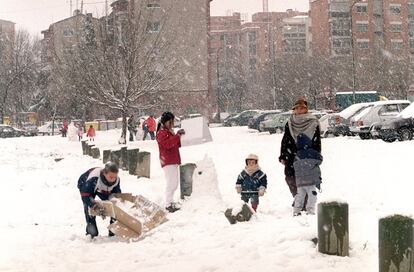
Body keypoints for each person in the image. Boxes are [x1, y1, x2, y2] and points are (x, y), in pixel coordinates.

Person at [279, 98, 321, 211]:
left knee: (307, 180)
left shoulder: (313, 122)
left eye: (302, 108)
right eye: (297, 108)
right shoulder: (290, 122)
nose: (299, 110)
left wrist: (317, 156)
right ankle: (298, 198)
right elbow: (285, 139)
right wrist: (283, 155)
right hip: (291, 155)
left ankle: (305, 203)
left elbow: (317, 141)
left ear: (306, 109)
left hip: (307, 155)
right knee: (289, 178)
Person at [77, 162, 121, 238]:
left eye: (115, 177)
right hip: (86, 185)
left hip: (102, 188)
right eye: (111, 177)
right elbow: (86, 195)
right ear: (104, 173)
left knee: (116, 205)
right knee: (89, 208)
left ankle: (113, 231)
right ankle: (92, 232)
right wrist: (93, 205)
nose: (113, 179)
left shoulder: (116, 180)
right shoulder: (93, 178)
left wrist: (115, 202)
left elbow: (117, 195)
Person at [156, 111, 185, 213]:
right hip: (168, 161)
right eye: (170, 122)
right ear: (165, 122)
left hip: (172, 160)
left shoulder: (168, 132)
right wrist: (177, 136)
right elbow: (168, 144)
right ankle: (168, 203)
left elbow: (175, 145)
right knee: (171, 183)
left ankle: (170, 201)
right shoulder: (161, 133)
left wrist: (180, 137)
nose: (172, 124)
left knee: (174, 183)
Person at [292, 133, 322, 216]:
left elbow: (295, 165)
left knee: (300, 196)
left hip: (300, 181)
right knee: (312, 196)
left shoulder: (297, 154)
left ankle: (296, 210)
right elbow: (320, 160)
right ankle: (310, 211)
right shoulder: (313, 152)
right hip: (310, 181)